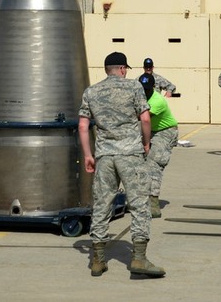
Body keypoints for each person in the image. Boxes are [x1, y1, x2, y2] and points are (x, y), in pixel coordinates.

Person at [78, 52, 165, 278]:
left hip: (105, 156)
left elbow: (82, 126)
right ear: (123, 69)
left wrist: (89, 155)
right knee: (139, 205)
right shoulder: (134, 88)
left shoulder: (91, 91)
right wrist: (146, 143)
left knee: (102, 204)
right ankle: (139, 258)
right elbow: (145, 119)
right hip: (131, 154)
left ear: (107, 69)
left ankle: (97, 260)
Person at [138, 73, 178, 218]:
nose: (144, 92)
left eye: (147, 89)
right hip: (150, 130)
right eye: (142, 89)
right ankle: (141, 197)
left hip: (165, 131)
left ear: (153, 88)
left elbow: (144, 120)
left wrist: (147, 144)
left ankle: (153, 203)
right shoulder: (138, 96)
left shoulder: (157, 100)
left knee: (154, 163)